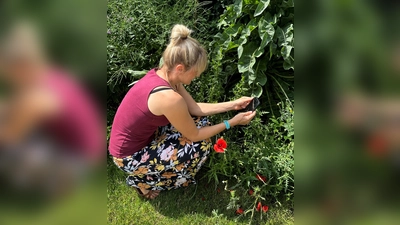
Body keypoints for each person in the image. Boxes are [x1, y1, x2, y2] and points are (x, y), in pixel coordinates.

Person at [109, 24, 256, 199]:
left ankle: (154, 172)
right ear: (180, 68)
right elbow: (194, 135)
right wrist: (231, 123)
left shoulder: (164, 75)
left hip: (141, 140)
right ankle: (143, 181)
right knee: (199, 145)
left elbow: (194, 109)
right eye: (194, 73)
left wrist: (233, 105)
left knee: (201, 124)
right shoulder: (169, 98)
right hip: (128, 157)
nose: (195, 78)